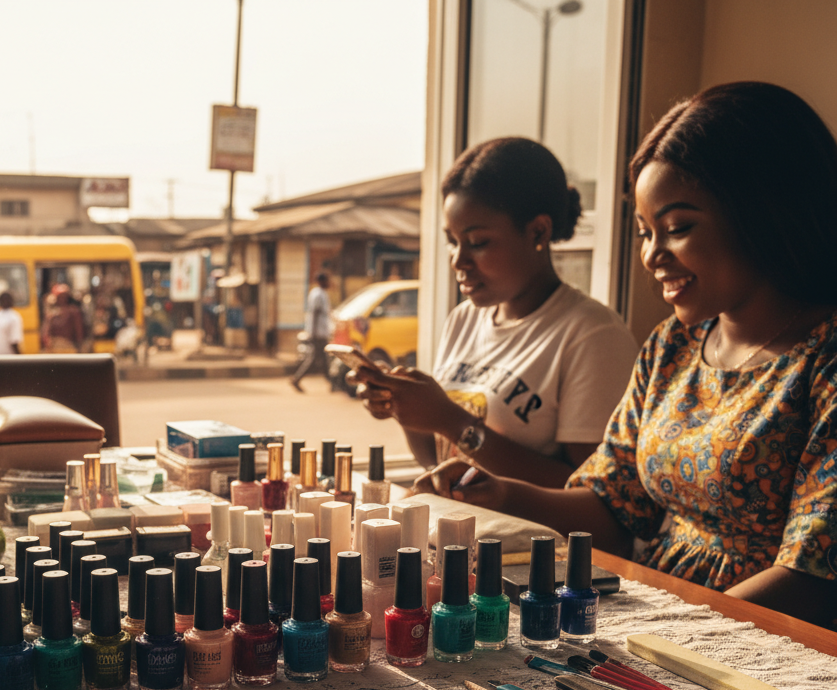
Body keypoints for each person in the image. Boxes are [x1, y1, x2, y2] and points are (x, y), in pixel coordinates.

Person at [436, 82, 837, 627]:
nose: (652, 255)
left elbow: (813, 578)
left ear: (766, 210)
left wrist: (671, 633)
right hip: (662, 612)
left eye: (677, 228)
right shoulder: (674, 345)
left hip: (761, 642)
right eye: (646, 231)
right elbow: (612, 504)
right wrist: (500, 492)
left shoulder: (823, 360)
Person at [351, 137, 638, 488]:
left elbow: (589, 496)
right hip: (463, 537)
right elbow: (444, 464)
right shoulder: (463, 320)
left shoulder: (592, 335)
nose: (458, 260)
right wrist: (406, 408)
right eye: (452, 241)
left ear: (538, 232)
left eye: (477, 242)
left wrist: (451, 420)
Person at [291, 272, 332, 392]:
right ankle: (297, 379)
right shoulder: (317, 294)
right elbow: (315, 313)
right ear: (322, 282)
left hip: (322, 331)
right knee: (316, 359)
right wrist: (313, 333)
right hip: (317, 333)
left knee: (322, 358)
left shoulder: (322, 294)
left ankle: (331, 382)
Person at [41, 283, 85, 352]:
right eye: (60, 296)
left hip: (68, 346)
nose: (61, 299)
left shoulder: (73, 311)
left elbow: (79, 331)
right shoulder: (51, 314)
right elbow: (45, 333)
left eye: (64, 296)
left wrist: (80, 347)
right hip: (53, 346)